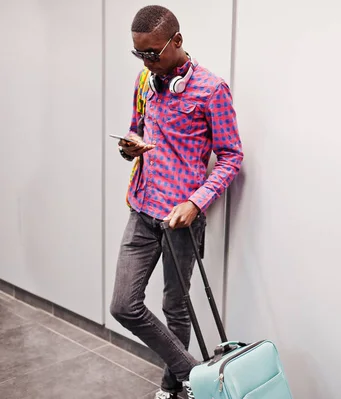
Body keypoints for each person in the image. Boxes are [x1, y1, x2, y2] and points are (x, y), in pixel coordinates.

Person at [109, 5, 243, 399]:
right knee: (124, 305)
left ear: (177, 41)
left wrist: (197, 203)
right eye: (140, 54)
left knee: (175, 308)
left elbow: (232, 156)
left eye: (153, 53)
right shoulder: (144, 82)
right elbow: (137, 131)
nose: (148, 62)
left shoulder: (211, 89)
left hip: (180, 218)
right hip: (142, 208)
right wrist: (129, 149)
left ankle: (174, 387)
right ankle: (195, 373)